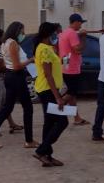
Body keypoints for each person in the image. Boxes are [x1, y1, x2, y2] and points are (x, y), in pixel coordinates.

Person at [0, 22, 37, 149]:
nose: (23, 34)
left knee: (7, 108)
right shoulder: (12, 43)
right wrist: (30, 60)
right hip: (16, 76)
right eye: (22, 31)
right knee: (28, 108)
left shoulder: (4, 43)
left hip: (10, 76)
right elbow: (17, 65)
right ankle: (29, 140)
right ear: (17, 31)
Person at [32, 22, 68, 167]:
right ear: (49, 34)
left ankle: (47, 155)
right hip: (47, 90)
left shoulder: (47, 48)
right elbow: (48, 75)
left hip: (47, 89)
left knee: (49, 123)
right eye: (55, 33)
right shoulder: (45, 50)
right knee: (62, 122)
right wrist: (58, 97)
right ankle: (41, 151)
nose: (57, 35)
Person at [58, 14, 89, 125]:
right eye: (80, 22)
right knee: (72, 92)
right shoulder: (72, 33)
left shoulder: (64, 33)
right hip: (72, 67)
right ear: (75, 22)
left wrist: (80, 36)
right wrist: (84, 38)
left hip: (66, 65)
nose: (81, 25)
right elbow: (78, 50)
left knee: (72, 94)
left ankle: (76, 117)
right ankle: (56, 108)